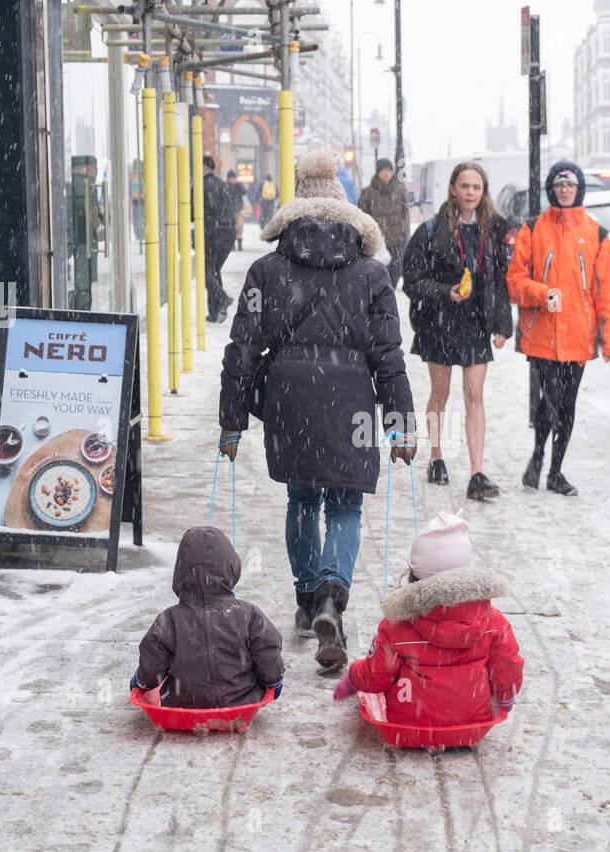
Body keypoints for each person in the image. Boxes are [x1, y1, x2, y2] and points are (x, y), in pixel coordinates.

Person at [218, 149, 417, 673]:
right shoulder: (372, 275)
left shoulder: (266, 270)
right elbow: (389, 356)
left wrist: (231, 421)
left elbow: (241, 348)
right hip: (350, 400)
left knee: (302, 500)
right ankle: (332, 596)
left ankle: (308, 601)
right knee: (346, 507)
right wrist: (400, 424)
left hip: (290, 399)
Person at [331, 511, 524, 725]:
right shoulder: (493, 622)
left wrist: (353, 677)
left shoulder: (396, 625)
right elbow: (508, 667)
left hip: (409, 722)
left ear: (415, 572)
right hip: (472, 721)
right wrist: (505, 698)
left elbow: (376, 676)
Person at [506, 160, 610, 497]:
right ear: (551, 190)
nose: (565, 191)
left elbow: (608, 292)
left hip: (579, 335)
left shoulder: (597, 234)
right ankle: (542, 458)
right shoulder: (532, 229)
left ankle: (552, 467)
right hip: (541, 335)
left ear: (579, 189)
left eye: (570, 185)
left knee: (565, 403)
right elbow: (514, 283)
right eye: (559, 186)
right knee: (554, 397)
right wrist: (542, 294)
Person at [402, 162, 513, 502]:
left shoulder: (494, 228)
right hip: (440, 321)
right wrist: (444, 292)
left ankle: (477, 473)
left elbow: (499, 279)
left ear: (484, 191)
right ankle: (436, 456)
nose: (470, 193)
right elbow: (412, 281)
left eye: (476, 187)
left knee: (474, 395)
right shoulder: (432, 230)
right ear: (453, 188)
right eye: (464, 186)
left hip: (476, 321)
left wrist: (501, 324)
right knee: (441, 393)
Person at [129, 526, 285, 708]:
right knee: (274, 683)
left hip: (184, 703)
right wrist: (273, 682)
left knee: (138, 682)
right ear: (231, 566)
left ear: (180, 572)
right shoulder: (248, 615)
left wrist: (140, 682)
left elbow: (152, 667)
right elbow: (268, 653)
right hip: (242, 701)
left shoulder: (169, 620)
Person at [358, 158, 410, 288]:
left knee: (396, 270)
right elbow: (362, 216)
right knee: (378, 272)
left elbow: (405, 212)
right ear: (377, 172)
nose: (386, 173)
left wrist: (403, 230)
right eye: (383, 170)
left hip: (396, 239)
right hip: (378, 241)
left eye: (389, 170)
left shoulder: (399, 191)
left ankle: (389, 291)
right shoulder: (368, 193)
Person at [200, 155, 237, 322]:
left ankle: (222, 298)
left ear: (203, 167)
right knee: (214, 270)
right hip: (229, 232)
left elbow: (195, 212)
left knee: (206, 271)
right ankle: (216, 310)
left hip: (213, 232)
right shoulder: (222, 184)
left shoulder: (201, 185)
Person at [227, 170, 248, 252]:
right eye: (231, 178)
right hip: (230, 210)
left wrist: (239, 185)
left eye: (234, 178)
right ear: (228, 179)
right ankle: (232, 244)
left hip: (239, 209)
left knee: (240, 227)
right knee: (232, 227)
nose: (233, 180)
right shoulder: (226, 186)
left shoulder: (239, 185)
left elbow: (245, 192)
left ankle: (239, 243)